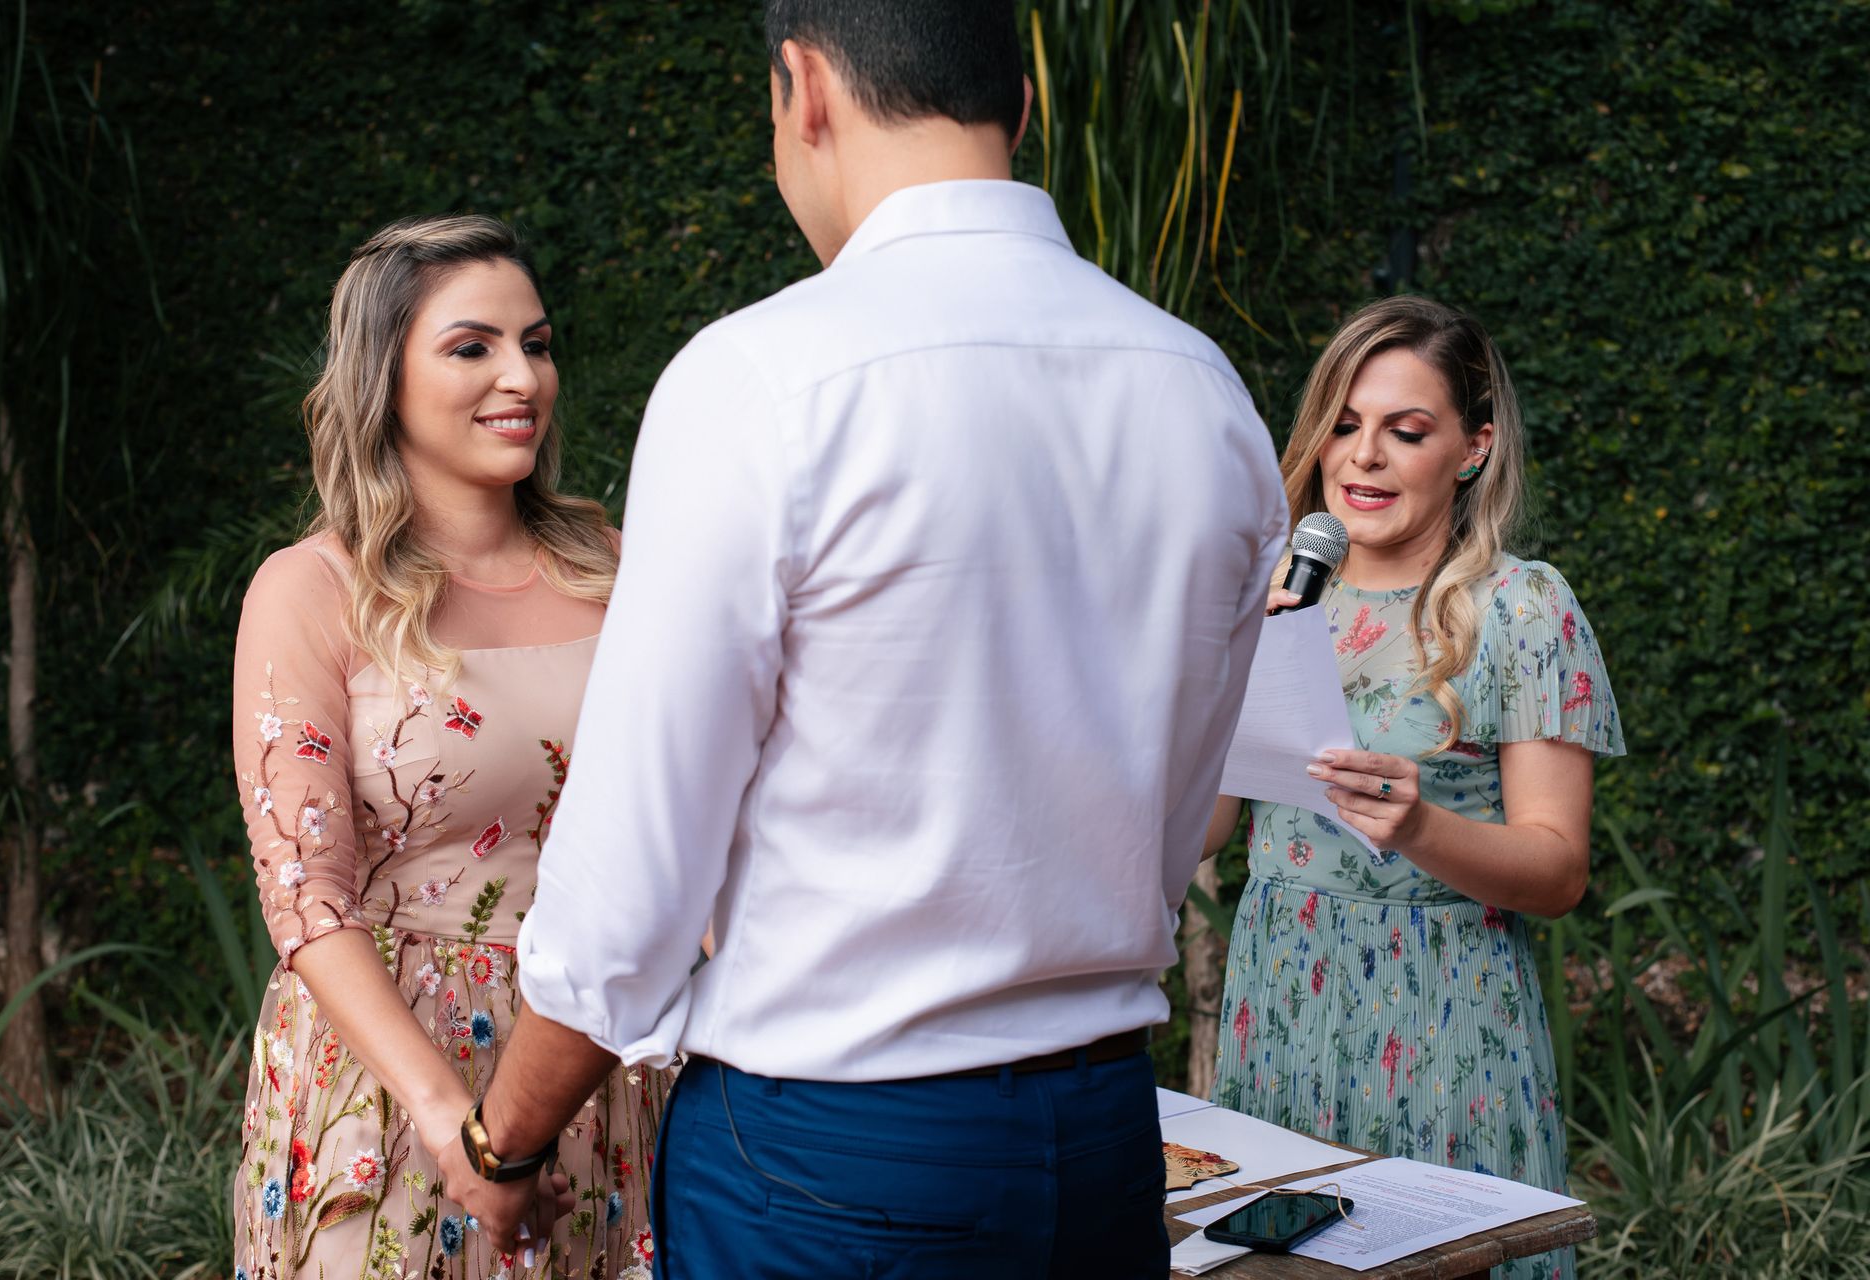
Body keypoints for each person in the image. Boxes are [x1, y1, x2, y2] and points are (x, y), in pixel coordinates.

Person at [433, 2, 1288, 1275]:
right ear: (1026, 108)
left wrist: (506, 1143)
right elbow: (1173, 825)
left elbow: (631, 884)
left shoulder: (763, 379)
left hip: (830, 1148)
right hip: (1104, 1132)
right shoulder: (1203, 389)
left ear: (806, 88)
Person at [229, 214, 667, 1280]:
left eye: (538, 342)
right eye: (473, 347)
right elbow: (304, 894)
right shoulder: (314, 590)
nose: (521, 374)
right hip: (397, 1081)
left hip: (603, 1060)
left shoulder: (616, 559)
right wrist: (454, 1124)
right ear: (383, 378)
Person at [1205, 294, 1623, 1280]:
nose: (1364, 456)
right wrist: (1213, 673)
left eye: (1407, 430)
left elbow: (1558, 872)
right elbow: (1205, 832)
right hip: (1280, 1006)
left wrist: (1421, 822)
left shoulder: (1521, 609)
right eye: (1345, 425)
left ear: (1473, 448)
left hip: (1445, 1020)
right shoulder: (1273, 593)